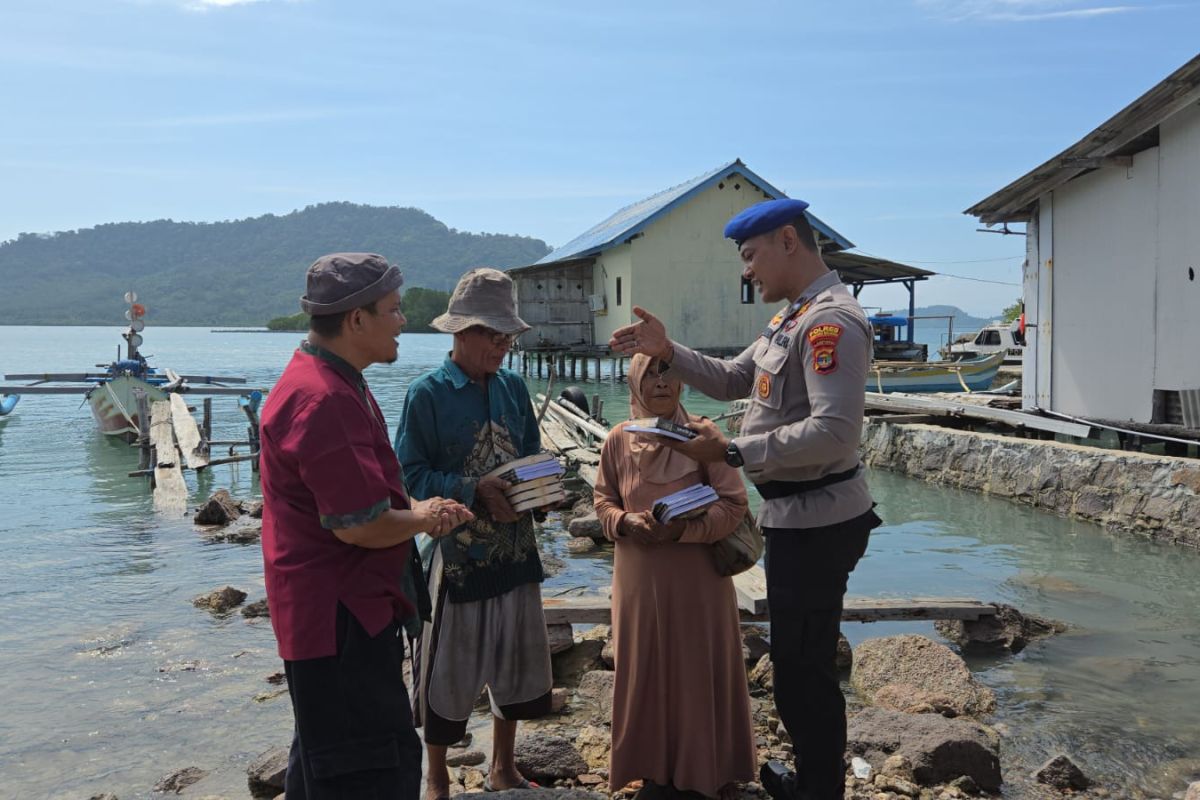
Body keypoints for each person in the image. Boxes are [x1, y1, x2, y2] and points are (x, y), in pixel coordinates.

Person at [610, 199, 882, 800]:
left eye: (750, 255)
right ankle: (813, 779)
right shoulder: (793, 317)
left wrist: (731, 453)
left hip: (820, 519)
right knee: (795, 665)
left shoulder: (830, 323)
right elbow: (736, 378)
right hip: (794, 515)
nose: (746, 271)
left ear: (789, 241)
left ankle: (818, 791)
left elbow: (835, 432)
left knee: (805, 669)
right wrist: (669, 348)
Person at [260, 252, 473, 799]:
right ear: (357, 319)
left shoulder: (331, 378)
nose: (405, 320)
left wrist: (416, 509)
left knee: (325, 760)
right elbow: (359, 526)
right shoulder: (323, 397)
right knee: (371, 769)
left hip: (333, 612)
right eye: (395, 310)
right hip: (341, 618)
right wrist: (425, 517)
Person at [395, 268, 553, 800]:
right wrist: (471, 489)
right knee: (448, 669)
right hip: (457, 556)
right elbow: (409, 476)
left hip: (516, 549)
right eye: (493, 334)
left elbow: (530, 456)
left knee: (514, 659)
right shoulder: (427, 395)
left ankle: (503, 766)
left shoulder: (513, 387)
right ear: (460, 333)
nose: (503, 345)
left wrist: (543, 491)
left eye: (508, 335)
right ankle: (436, 777)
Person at [593, 353, 756, 800]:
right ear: (634, 384)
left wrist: (686, 530)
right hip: (639, 580)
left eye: (668, 373)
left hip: (697, 579)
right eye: (650, 375)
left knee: (696, 667)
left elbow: (733, 503)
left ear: (682, 383)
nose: (660, 383)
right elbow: (603, 501)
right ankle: (652, 770)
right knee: (643, 667)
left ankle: (706, 770)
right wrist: (627, 524)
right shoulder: (617, 440)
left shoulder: (703, 437)